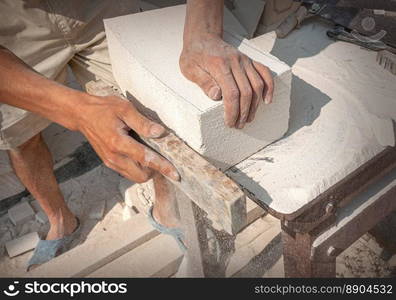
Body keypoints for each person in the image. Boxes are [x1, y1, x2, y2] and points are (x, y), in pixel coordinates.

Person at [0, 0, 274, 269]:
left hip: (95, 7)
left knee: (149, 106)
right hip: (11, 27)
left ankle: (167, 212)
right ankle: (60, 221)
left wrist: (203, 32)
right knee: (22, 139)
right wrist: (78, 112)